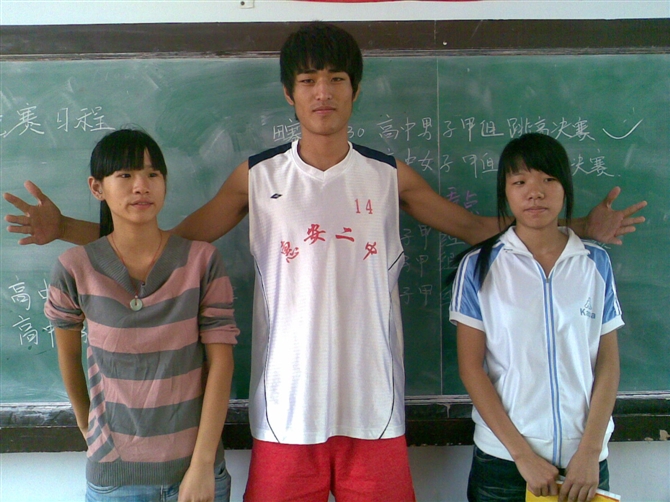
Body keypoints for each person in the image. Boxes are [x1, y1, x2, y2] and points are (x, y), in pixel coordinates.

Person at [4, 23, 644, 502]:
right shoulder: (257, 177)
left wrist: (580, 229)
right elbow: (164, 240)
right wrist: (67, 229)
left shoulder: (388, 176)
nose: (323, 92)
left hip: (376, 409)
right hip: (286, 413)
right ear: (289, 92)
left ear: (355, 89)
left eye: (336, 78)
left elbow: (479, 229)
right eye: (309, 80)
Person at [43, 129, 239, 502]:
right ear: (97, 187)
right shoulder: (74, 268)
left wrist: (201, 466)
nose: (141, 186)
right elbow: (68, 356)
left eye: (153, 174)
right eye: (126, 175)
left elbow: (221, 364)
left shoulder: (201, 261)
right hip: (116, 480)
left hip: (196, 473)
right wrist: (90, 431)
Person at [450, 133, 622, 502]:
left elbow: (607, 363)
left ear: (565, 187)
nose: (535, 193)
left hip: (584, 463)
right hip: (505, 463)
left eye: (548, 179)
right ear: (505, 191)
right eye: (520, 182)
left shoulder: (595, 263)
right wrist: (522, 456)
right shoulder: (479, 266)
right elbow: (471, 368)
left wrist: (590, 451)